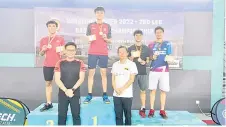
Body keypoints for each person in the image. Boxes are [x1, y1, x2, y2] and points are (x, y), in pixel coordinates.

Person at [84, 6, 112, 104]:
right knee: (90, 74)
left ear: (103, 14)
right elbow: (86, 38)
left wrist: (106, 39)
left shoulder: (107, 26)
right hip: (92, 52)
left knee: (103, 74)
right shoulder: (90, 25)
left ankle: (105, 94)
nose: (99, 14)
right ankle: (89, 94)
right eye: (98, 13)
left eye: (101, 13)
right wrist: (90, 38)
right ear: (95, 14)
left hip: (103, 52)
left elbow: (110, 41)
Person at [54, 42, 86, 125]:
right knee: (61, 116)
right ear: (65, 51)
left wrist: (72, 90)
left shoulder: (80, 63)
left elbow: (81, 78)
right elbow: (57, 79)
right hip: (62, 93)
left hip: (75, 93)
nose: (71, 52)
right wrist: (66, 90)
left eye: (73, 50)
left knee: (76, 115)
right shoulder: (59, 63)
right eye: (68, 50)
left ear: (75, 51)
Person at [39, 20, 65, 112]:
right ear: (47, 28)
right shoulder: (43, 40)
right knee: (48, 83)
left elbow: (63, 52)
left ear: (56, 27)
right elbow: (41, 54)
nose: (52, 28)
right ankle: (49, 103)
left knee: (61, 84)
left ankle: (63, 103)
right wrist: (43, 49)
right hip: (47, 65)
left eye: (53, 26)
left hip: (58, 65)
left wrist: (62, 52)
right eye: (50, 26)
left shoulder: (60, 39)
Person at [148, 26, 173, 119]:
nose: (158, 34)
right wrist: (151, 58)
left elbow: (169, 56)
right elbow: (148, 57)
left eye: (160, 32)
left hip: (164, 71)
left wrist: (170, 59)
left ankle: (162, 110)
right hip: (153, 70)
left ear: (163, 33)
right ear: (155, 34)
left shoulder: (168, 44)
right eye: (157, 32)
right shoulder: (150, 44)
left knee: (163, 91)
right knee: (152, 90)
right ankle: (151, 110)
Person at [111, 46, 138, 125]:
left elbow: (131, 80)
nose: (122, 53)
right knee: (118, 116)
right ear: (118, 54)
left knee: (128, 116)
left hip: (127, 95)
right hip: (116, 95)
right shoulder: (115, 64)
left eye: (123, 52)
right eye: (120, 52)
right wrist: (116, 89)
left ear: (127, 53)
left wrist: (122, 89)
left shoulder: (132, 64)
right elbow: (113, 79)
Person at [128, 30, 150, 118]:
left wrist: (145, 62)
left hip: (142, 72)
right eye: (136, 35)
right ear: (134, 37)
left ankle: (143, 108)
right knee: (129, 91)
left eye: (140, 35)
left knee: (143, 91)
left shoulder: (146, 48)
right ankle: (127, 109)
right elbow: (127, 60)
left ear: (142, 37)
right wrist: (131, 59)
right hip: (132, 72)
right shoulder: (130, 48)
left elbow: (148, 60)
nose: (138, 37)